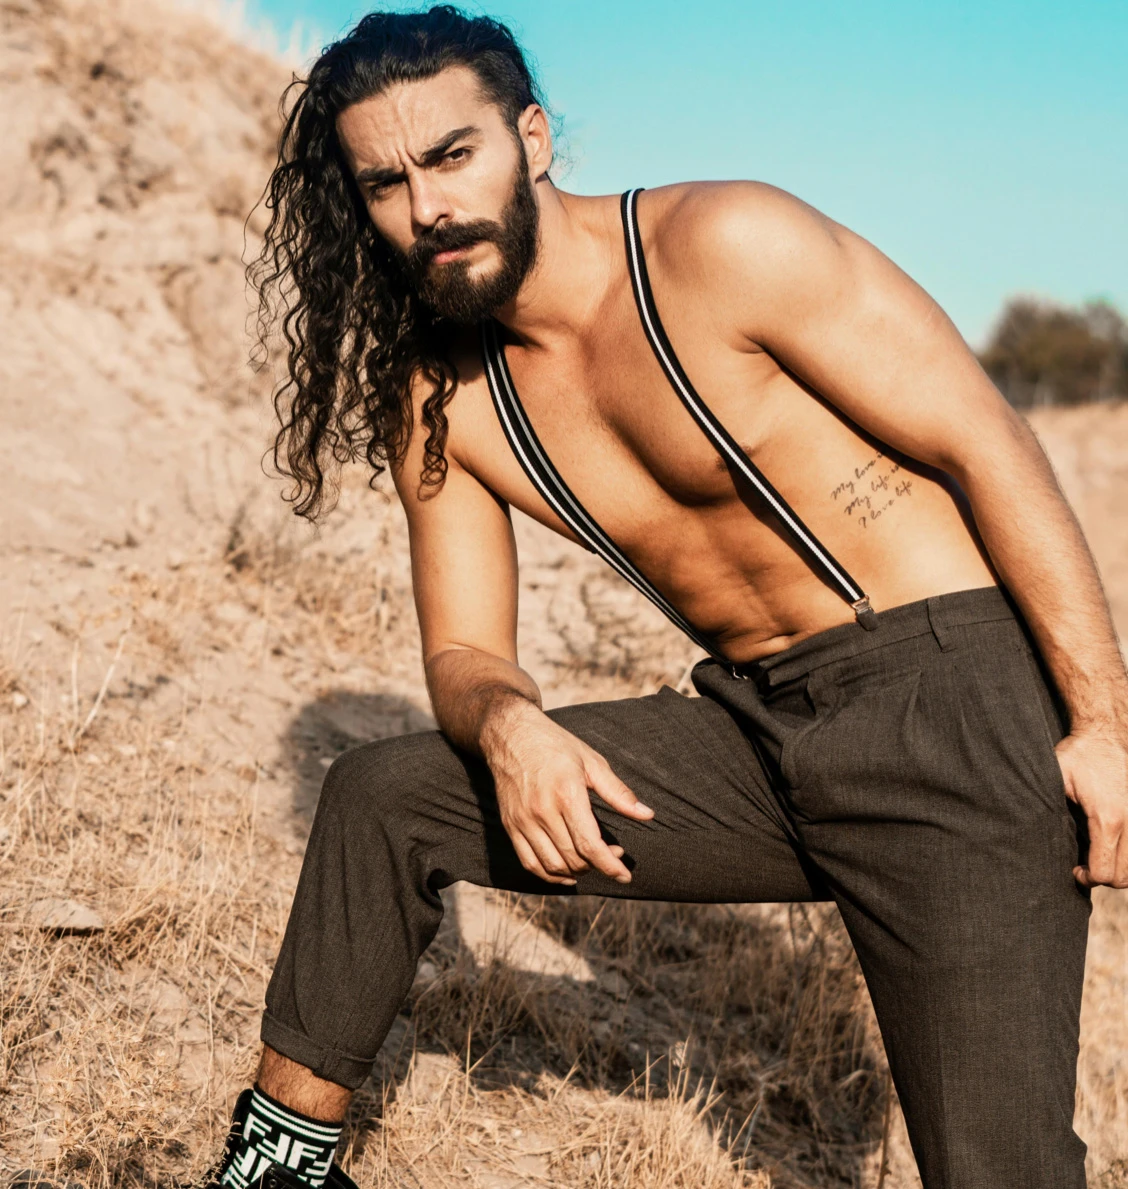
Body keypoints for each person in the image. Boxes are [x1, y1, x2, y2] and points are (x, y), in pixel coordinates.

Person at [200, 7, 1128, 1189]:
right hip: (758, 730)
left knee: (999, 1169)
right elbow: (465, 648)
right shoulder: (446, 399)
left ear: (531, 139)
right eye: (386, 182)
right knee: (386, 795)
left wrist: (1103, 724)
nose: (428, 205)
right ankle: (273, 1167)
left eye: (452, 155)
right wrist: (509, 725)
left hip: (948, 709)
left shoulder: (725, 244)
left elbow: (987, 443)